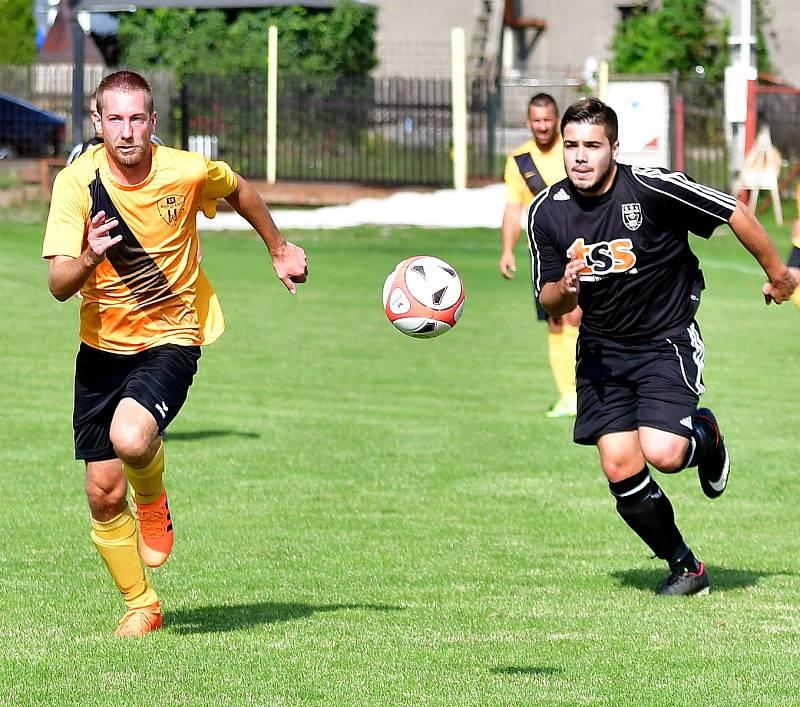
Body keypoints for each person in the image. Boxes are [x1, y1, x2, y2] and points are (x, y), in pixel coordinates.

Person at [42, 70, 308, 636]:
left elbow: (238, 189)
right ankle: (142, 605)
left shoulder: (184, 171)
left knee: (132, 437)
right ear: (97, 123)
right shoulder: (76, 184)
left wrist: (279, 248)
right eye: (114, 119)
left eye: (137, 118)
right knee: (101, 493)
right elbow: (60, 283)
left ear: (153, 122)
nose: (127, 131)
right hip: (100, 347)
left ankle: (154, 497)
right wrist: (90, 257)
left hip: (172, 334)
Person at [528, 98, 796, 596]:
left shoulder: (652, 187)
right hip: (601, 353)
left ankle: (706, 435)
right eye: (571, 146)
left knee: (666, 453)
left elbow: (734, 210)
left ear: (613, 147)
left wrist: (778, 274)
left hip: (664, 341)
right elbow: (548, 299)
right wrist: (567, 285)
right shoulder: (548, 212)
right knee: (620, 466)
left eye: (592, 146)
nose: (580, 157)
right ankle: (686, 568)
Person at [499, 93, 581, 418]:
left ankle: (584, 389)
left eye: (548, 120)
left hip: (581, 245)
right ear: (528, 121)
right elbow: (512, 207)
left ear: (557, 120)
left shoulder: (573, 150)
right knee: (555, 320)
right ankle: (568, 394)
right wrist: (507, 250)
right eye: (537, 120)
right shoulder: (520, 161)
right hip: (545, 251)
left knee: (577, 316)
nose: (543, 126)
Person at [67, 93, 163, 166]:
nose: (96, 120)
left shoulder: (151, 143)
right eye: (93, 113)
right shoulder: (82, 152)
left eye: (115, 118)